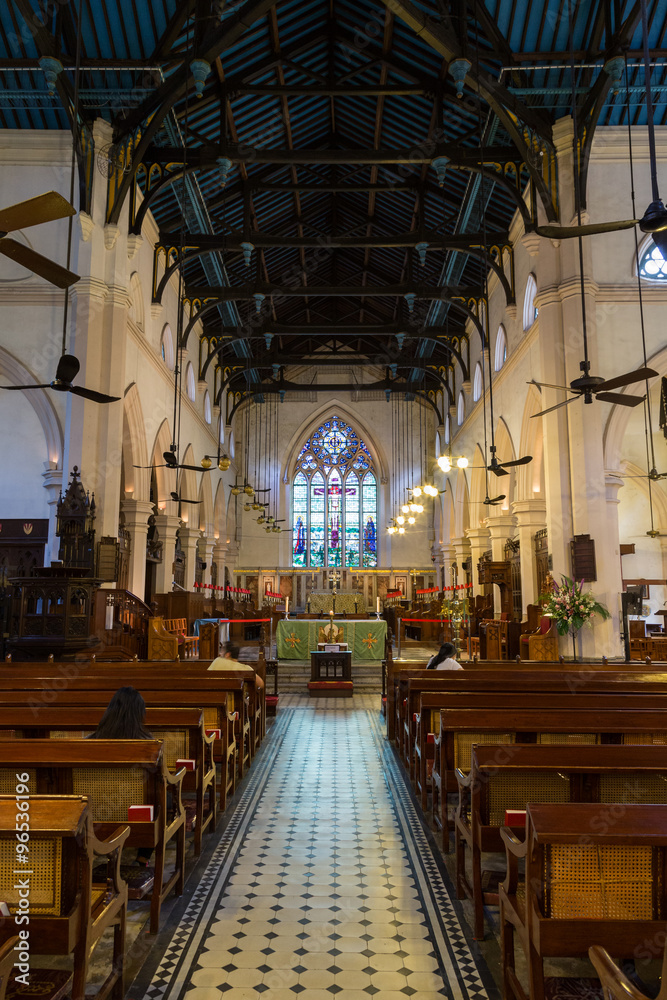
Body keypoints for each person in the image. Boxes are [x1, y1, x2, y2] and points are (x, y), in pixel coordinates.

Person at [89, 686, 154, 866]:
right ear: (140, 713)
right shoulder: (148, 745)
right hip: (133, 811)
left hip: (95, 810)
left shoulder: (88, 743)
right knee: (163, 799)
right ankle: (143, 857)